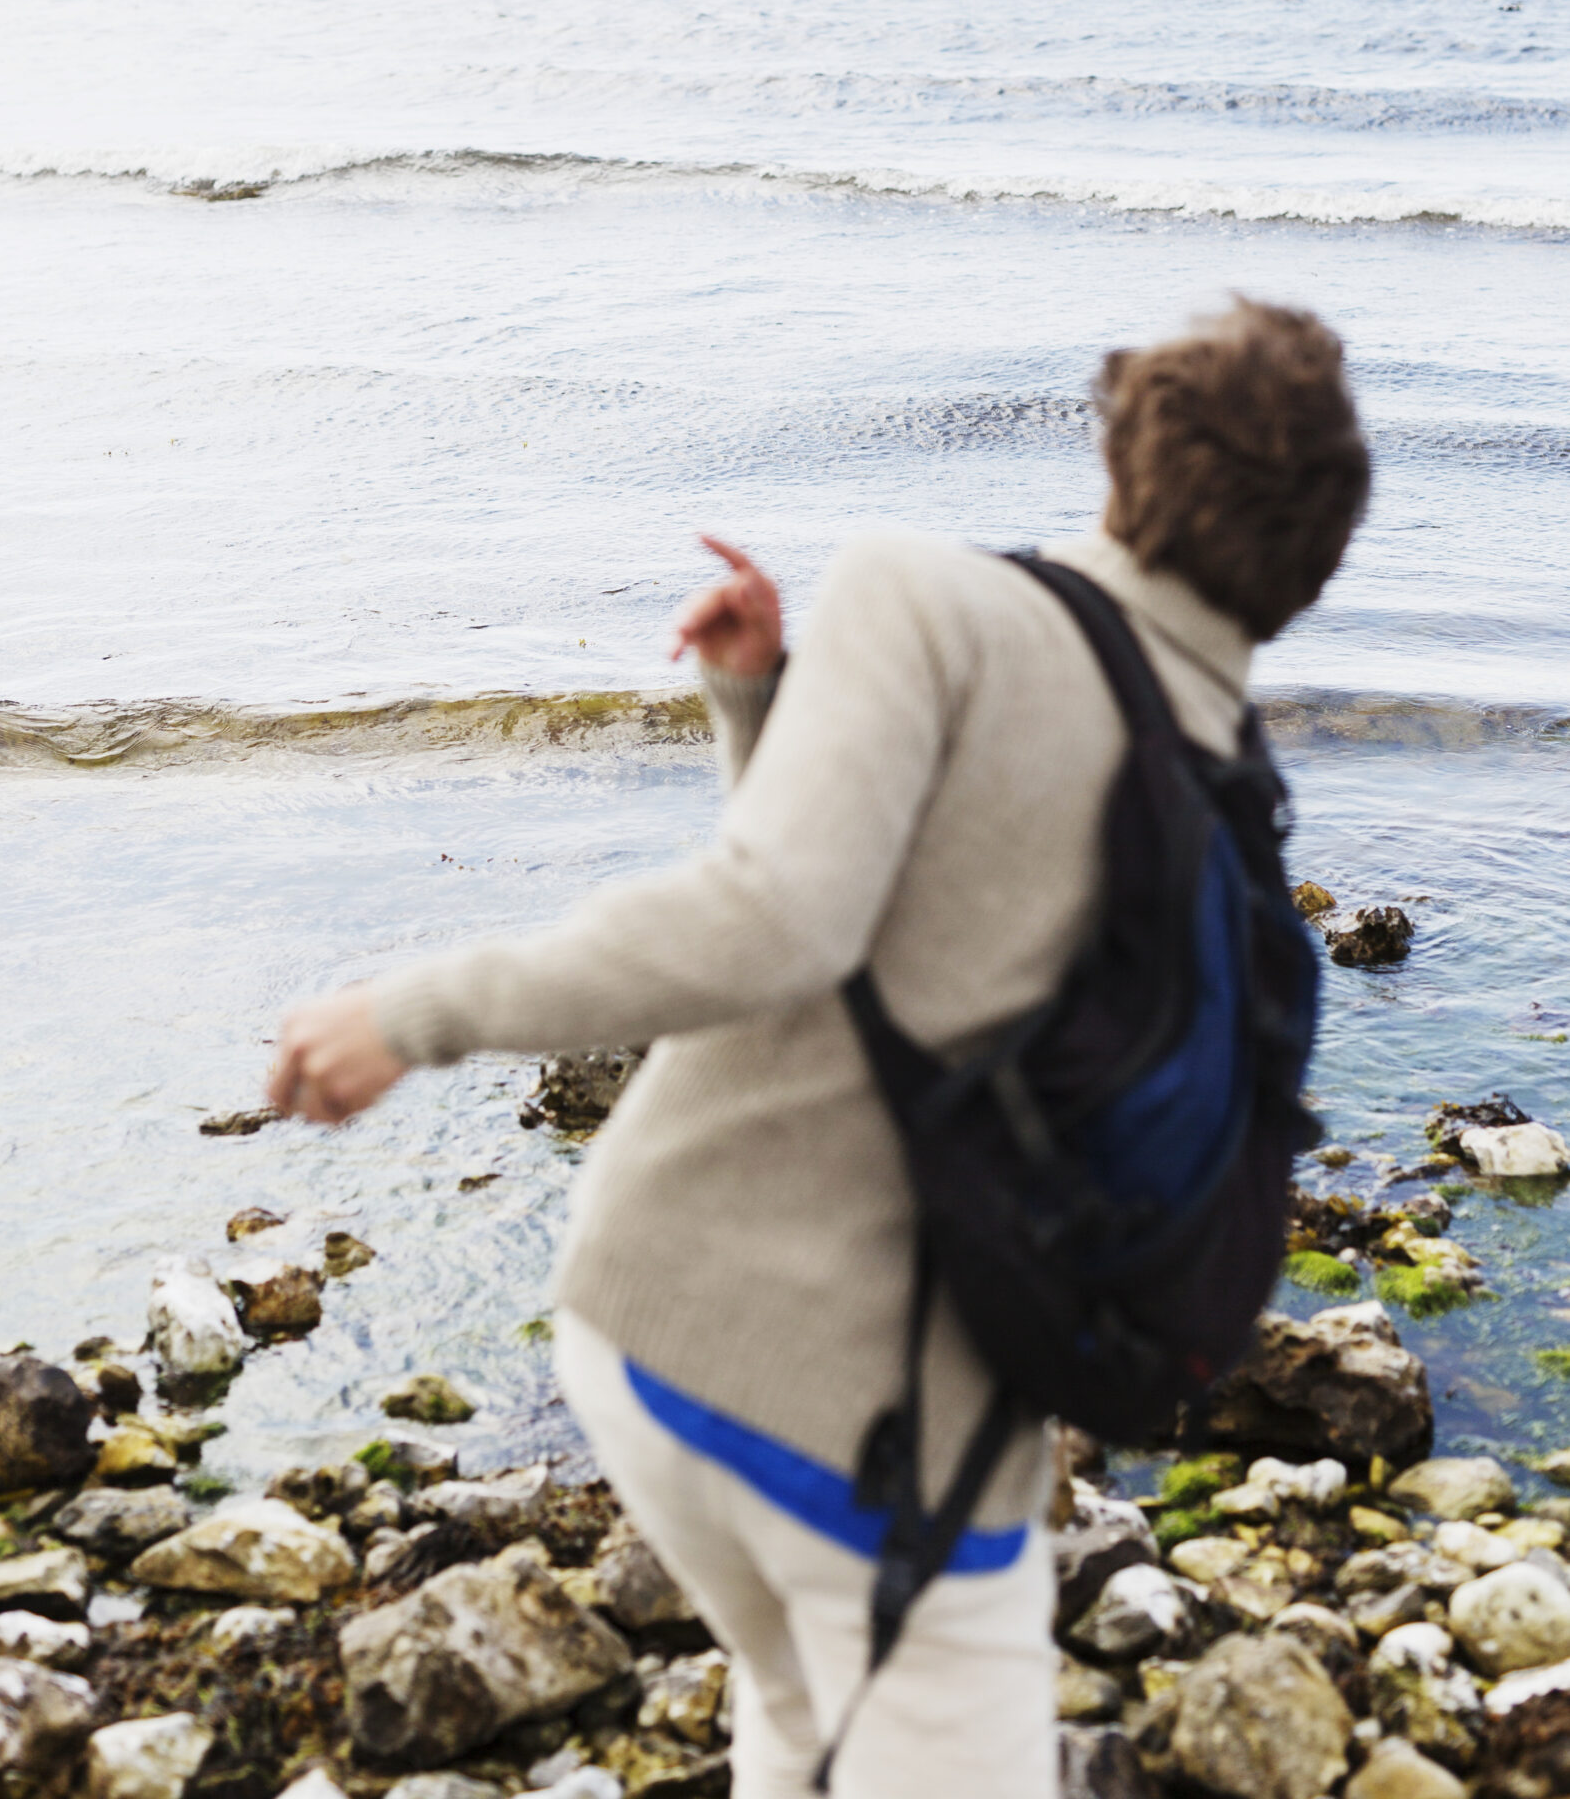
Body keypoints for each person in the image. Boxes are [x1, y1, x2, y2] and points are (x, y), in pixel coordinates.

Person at [270, 295, 1370, 1798]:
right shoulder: (1227, 791)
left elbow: (798, 918)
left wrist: (414, 1009)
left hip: (659, 1330)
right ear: (1310, 569)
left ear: (1123, 458)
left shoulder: (940, 602)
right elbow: (830, 923)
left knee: (797, 1724)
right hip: (889, 1439)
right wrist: (771, 724)